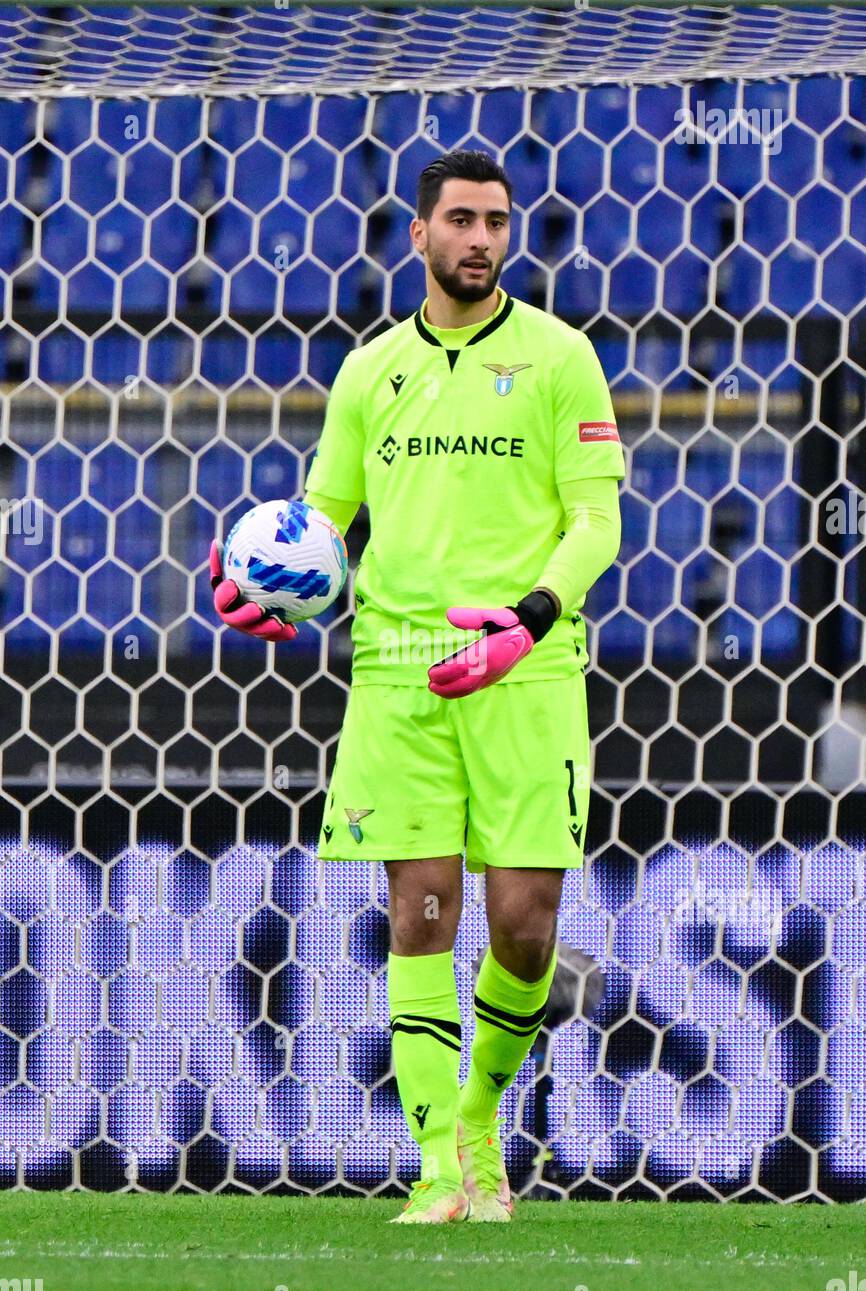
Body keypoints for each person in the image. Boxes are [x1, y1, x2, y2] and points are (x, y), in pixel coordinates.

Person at [210, 149, 624, 1224]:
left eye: (496, 221)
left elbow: (597, 521)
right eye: (462, 220)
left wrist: (530, 616)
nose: (481, 239)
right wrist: (267, 586)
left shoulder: (561, 357)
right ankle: (440, 1167)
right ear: (420, 234)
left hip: (527, 666)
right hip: (399, 671)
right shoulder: (369, 370)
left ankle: (480, 1110)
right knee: (421, 911)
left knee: (524, 925)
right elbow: (322, 523)